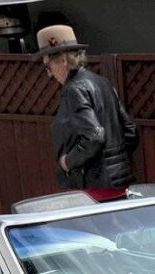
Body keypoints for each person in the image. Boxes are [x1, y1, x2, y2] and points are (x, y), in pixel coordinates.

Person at [34, 25, 139, 191]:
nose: (49, 74)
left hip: (94, 185)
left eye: (48, 67)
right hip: (121, 179)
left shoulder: (73, 89)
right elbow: (131, 132)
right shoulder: (102, 82)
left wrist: (67, 162)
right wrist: (115, 160)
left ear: (63, 60)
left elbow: (94, 136)